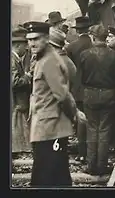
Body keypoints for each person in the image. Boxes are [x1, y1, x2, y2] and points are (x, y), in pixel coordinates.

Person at [23, 21, 87, 187]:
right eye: (29, 40)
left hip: (51, 129)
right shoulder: (43, 58)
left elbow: (62, 95)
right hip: (47, 127)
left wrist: (74, 114)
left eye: (36, 39)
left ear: (46, 39)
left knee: (46, 177)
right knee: (56, 175)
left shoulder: (49, 61)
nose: (31, 43)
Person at [79, 25, 115, 175]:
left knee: (92, 129)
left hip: (90, 94)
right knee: (105, 130)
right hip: (108, 95)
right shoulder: (114, 56)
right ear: (106, 38)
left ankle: (91, 165)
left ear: (93, 37)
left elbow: (79, 78)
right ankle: (102, 165)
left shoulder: (84, 55)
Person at [65, 16, 93, 163]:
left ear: (78, 31)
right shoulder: (94, 44)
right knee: (94, 121)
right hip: (94, 88)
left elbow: (70, 71)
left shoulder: (71, 47)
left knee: (81, 121)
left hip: (78, 89)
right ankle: (94, 152)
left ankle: (82, 153)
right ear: (89, 29)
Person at [11, 26, 32, 155]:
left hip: (18, 101)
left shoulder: (15, 59)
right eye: (25, 44)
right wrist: (27, 77)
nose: (27, 48)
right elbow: (14, 82)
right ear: (18, 45)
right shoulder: (12, 60)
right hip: (16, 100)